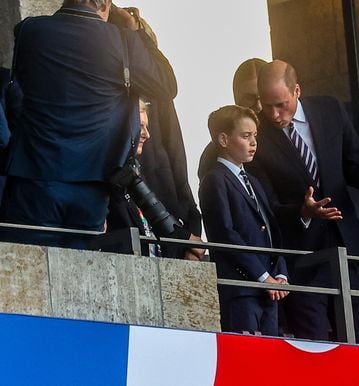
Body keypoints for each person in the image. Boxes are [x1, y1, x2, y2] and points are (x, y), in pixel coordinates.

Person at [248, 59, 359, 344]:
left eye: (281, 104)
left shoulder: (329, 109)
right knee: (315, 351)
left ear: (297, 90)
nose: (273, 113)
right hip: (302, 259)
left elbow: (354, 162)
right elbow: (266, 204)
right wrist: (303, 211)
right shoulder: (257, 137)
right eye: (266, 105)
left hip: (348, 251)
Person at [0, 0, 177, 249]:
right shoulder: (122, 41)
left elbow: (20, 88)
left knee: (29, 268)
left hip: (34, 176)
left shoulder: (30, 30)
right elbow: (166, 86)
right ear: (104, 2)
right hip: (92, 184)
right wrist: (134, 31)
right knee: (82, 274)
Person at [199, 105, 289, 336]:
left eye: (255, 136)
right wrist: (264, 276)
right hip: (241, 290)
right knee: (247, 361)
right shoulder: (214, 180)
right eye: (246, 136)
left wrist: (280, 274)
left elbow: (271, 230)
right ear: (224, 139)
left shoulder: (254, 182)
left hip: (268, 290)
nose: (253, 142)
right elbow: (225, 234)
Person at [106, 99, 201, 258]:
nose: (147, 134)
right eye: (140, 126)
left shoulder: (135, 170)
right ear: (121, 127)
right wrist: (185, 238)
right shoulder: (108, 172)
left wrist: (185, 242)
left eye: (147, 127)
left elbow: (156, 218)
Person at [197, 58, 267, 180]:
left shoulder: (285, 132)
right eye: (250, 98)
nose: (259, 106)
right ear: (237, 98)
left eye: (264, 96)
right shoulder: (215, 154)